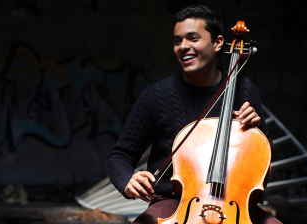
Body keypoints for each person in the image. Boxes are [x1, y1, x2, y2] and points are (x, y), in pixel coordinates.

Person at [106, 5, 281, 224]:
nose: (183, 47)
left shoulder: (244, 89)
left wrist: (254, 133)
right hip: (174, 201)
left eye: (193, 38)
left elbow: (267, 157)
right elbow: (120, 155)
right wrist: (127, 181)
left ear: (217, 43)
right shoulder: (156, 96)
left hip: (236, 202)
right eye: (177, 41)